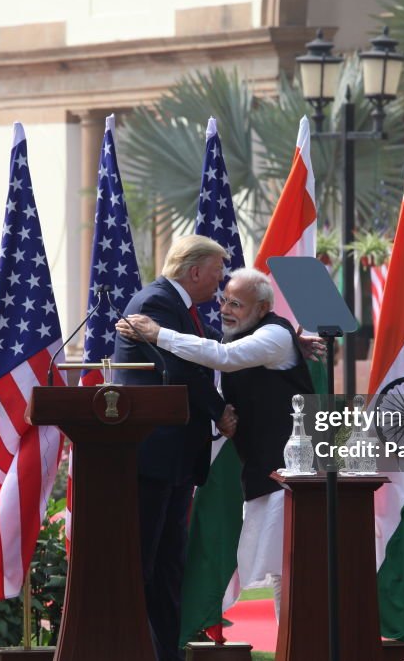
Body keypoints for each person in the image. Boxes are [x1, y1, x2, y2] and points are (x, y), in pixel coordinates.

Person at [116, 267, 319, 622]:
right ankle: (295, 645)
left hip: (292, 472)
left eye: (237, 304)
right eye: (224, 300)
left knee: (292, 569)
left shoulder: (273, 335)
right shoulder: (254, 333)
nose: (225, 309)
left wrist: (157, 333)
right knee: (281, 569)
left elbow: (221, 357)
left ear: (261, 309)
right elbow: (214, 342)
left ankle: (302, 647)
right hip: (267, 469)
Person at [113, 234, 237, 661]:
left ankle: (165, 651)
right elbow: (181, 369)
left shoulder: (179, 307)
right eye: (218, 274)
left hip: (177, 456)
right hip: (154, 454)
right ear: (196, 270)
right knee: (146, 562)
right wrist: (220, 410)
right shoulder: (155, 304)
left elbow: (207, 356)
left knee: (168, 564)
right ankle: (137, 648)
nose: (221, 285)